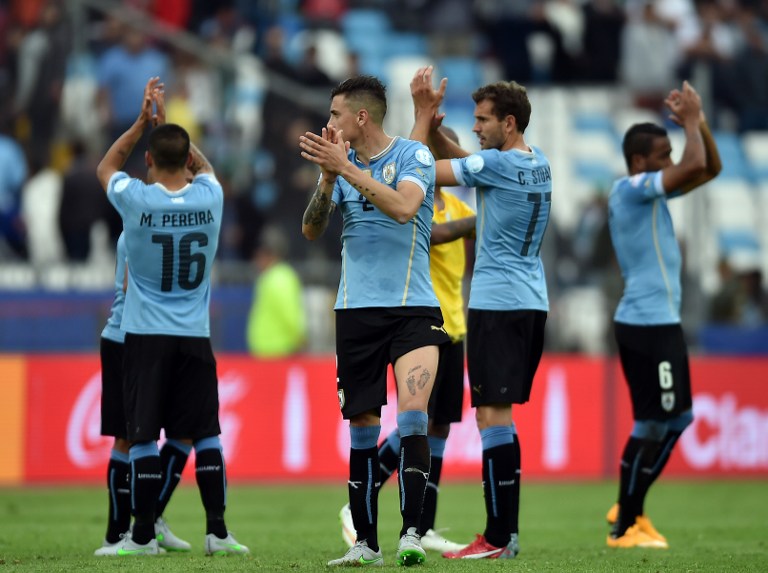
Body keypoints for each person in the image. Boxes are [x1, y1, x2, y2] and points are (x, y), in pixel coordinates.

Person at [300, 75, 450, 567]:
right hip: (355, 310)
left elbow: (406, 208)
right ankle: (366, 544)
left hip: (412, 309)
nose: (329, 124)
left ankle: (411, 533)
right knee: (362, 428)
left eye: (336, 114)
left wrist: (347, 170)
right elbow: (311, 228)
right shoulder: (338, 168)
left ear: (361, 117)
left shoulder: (414, 157)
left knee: (413, 417)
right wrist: (328, 179)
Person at [95, 77, 248, 556]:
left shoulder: (136, 202)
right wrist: (179, 137)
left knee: (140, 436)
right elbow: (205, 167)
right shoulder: (211, 198)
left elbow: (106, 166)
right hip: (194, 336)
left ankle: (140, 537)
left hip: (144, 334)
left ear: (148, 161)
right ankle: (217, 532)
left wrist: (144, 122)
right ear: (188, 161)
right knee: (204, 432)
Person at [408, 66, 552, 559]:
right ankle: (505, 536)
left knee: (492, 418)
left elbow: (427, 170)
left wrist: (421, 119)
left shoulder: (496, 167)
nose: (476, 126)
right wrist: (439, 130)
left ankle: (496, 538)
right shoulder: (538, 163)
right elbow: (470, 160)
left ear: (508, 124)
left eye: (484, 119)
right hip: (531, 304)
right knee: (501, 419)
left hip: (497, 304)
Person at [338, 126, 475, 554]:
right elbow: (431, 231)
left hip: (455, 326)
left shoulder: (452, 203)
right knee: (414, 419)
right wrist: (479, 220)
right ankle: (367, 502)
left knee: (439, 427)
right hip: (410, 321)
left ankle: (423, 525)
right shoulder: (407, 198)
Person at [605, 80, 721, 548]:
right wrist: (691, 122)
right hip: (646, 325)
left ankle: (629, 508)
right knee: (653, 423)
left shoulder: (649, 192)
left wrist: (702, 124)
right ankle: (625, 524)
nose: (672, 162)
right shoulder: (630, 189)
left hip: (658, 323)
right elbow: (693, 164)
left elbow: (709, 168)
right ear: (639, 163)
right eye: (663, 155)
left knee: (676, 420)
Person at [93, 232, 192, 556]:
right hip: (127, 339)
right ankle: (118, 533)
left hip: (165, 339)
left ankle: (149, 521)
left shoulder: (181, 221)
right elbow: (127, 285)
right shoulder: (137, 227)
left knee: (184, 431)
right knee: (130, 436)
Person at [246, 225, 307, 358]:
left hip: (278, 353)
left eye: (259, 254)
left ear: (269, 254)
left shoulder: (279, 278)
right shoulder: (271, 276)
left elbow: (290, 315)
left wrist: (299, 339)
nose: (256, 259)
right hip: (269, 352)